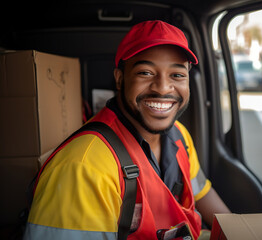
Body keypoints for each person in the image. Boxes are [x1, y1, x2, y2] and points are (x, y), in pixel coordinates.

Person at [23, 20, 230, 240]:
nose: (162, 87)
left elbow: (201, 192)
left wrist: (239, 229)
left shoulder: (179, 135)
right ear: (120, 79)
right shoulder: (83, 167)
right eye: (146, 73)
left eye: (177, 75)